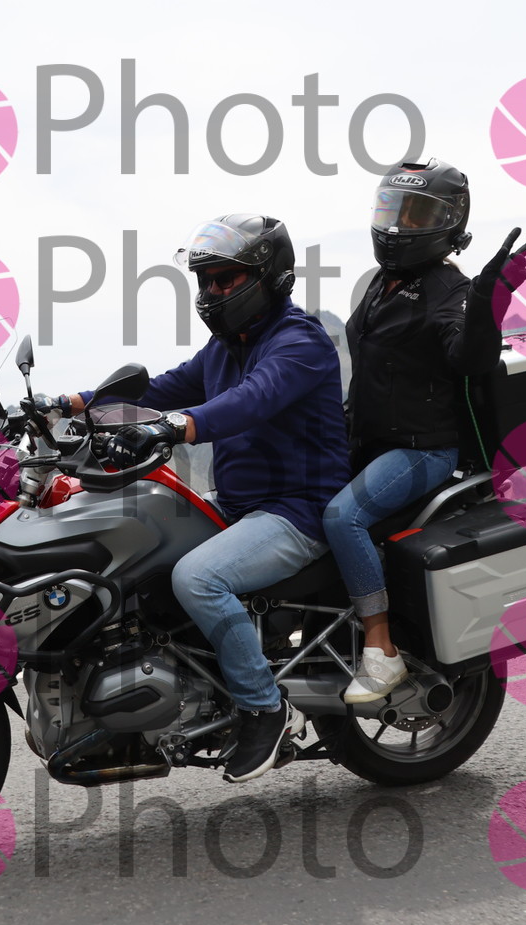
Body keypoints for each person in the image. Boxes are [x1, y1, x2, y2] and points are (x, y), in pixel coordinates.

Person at [62, 214, 349, 782]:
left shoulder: (299, 342)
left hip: (298, 510)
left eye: (226, 279)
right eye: (206, 281)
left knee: (198, 578)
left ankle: (264, 708)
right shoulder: (225, 346)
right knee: (139, 540)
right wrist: (73, 402)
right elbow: (161, 388)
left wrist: (174, 426)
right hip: (241, 503)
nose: (213, 292)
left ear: (268, 277)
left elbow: (250, 400)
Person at [326, 159, 526, 702]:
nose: (398, 225)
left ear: (448, 222)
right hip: (371, 443)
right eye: (392, 210)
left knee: (343, 517)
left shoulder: (448, 288)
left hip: (423, 450)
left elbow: (468, 356)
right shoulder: (384, 283)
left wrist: (488, 301)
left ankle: (381, 650)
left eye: (415, 214)